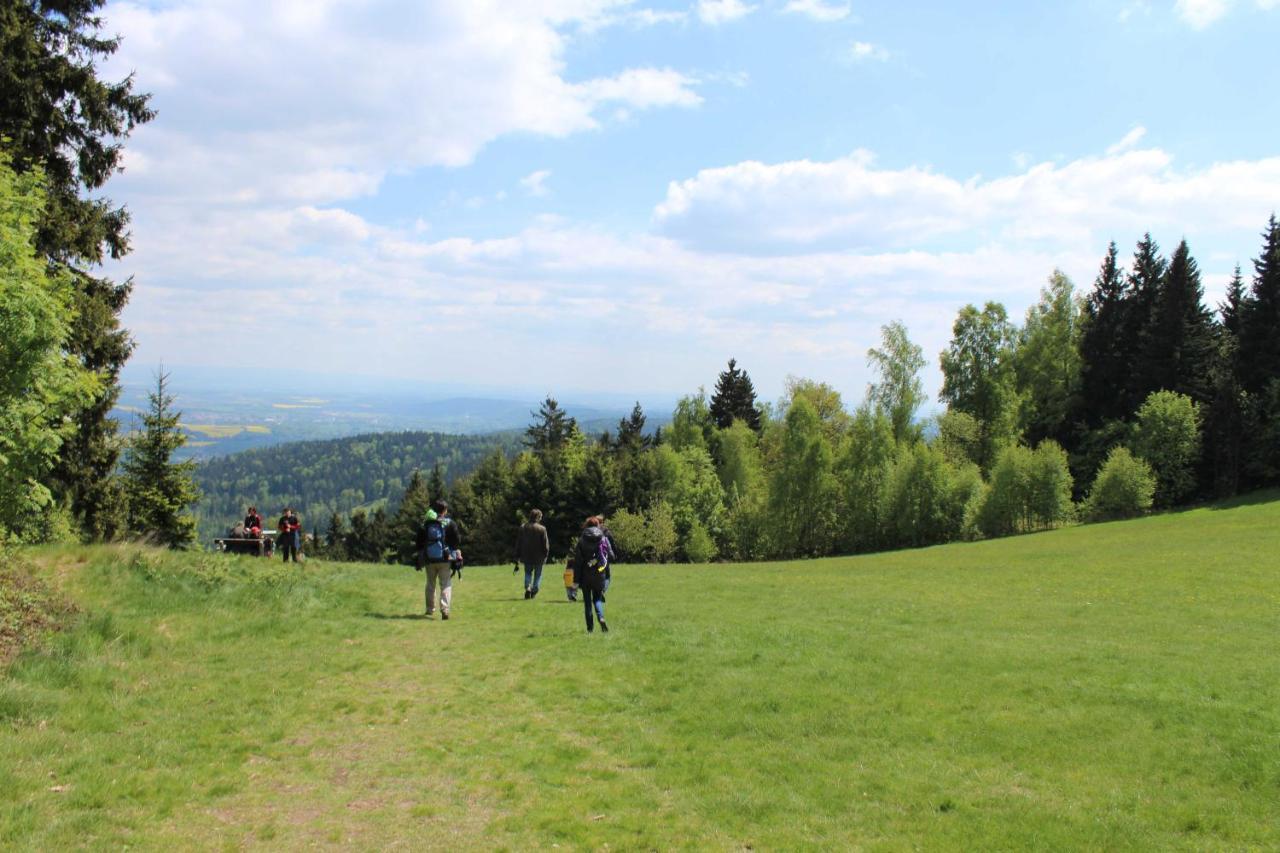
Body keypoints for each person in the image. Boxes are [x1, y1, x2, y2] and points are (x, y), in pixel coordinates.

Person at [574, 516, 614, 633]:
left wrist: (576, 580)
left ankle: (590, 629)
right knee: (597, 599)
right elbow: (611, 556)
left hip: (585, 576)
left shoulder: (581, 540)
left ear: (586, 525)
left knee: (587, 603)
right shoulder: (604, 538)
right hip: (599, 573)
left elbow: (578, 562)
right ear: (598, 525)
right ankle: (601, 617)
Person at [423, 499, 462, 620]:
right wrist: (454, 551)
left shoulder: (428, 523)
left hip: (430, 558)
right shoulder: (450, 523)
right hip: (445, 558)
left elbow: (421, 539)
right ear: (445, 510)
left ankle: (430, 609)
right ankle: (445, 610)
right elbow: (457, 540)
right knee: (445, 583)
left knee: (430, 583)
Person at [515, 508, 550, 599]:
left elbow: (519, 542)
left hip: (526, 556)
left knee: (528, 573)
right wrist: (546, 555)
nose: (541, 518)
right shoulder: (542, 529)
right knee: (538, 575)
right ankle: (534, 590)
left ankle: (528, 587)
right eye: (540, 517)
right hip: (539, 557)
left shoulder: (523, 527)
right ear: (537, 517)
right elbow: (545, 544)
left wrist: (517, 555)